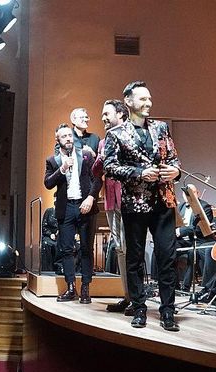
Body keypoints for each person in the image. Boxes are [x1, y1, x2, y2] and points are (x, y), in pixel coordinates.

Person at [104, 80, 181, 331]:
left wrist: (176, 171)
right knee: (135, 258)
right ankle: (139, 308)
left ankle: (168, 310)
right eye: (143, 98)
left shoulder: (161, 127)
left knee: (167, 257)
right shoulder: (115, 134)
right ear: (128, 101)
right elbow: (109, 167)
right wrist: (139, 173)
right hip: (135, 203)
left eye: (149, 98)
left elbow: (174, 158)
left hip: (164, 201)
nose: (148, 102)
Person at [44, 123, 102, 303]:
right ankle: (71, 287)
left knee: (86, 248)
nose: (68, 139)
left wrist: (91, 198)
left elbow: (97, 179)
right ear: (58, 140)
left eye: (70, 135)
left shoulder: (85, 155)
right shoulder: (53, 160)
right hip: (66, 207)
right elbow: (48, 183)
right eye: (64, 136)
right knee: (66, 249)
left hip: (85, 205)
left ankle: (85, 288)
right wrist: (62, 169)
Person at [92, 99, 132, 314]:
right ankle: (128, 296)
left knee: (131, 249)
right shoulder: (103, 142)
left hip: (129, 200)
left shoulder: (132, 137)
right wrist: (101, 157)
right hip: (110, 200)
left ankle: (136, 298)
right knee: (120, 249)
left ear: (121, 114)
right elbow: (96, 170)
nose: (103, 118)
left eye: (106, 114)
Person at [174, 184, 215, 291]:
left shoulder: (204, 206)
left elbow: (201, 228)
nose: (188, 196)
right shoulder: (181, 206)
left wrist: (182, 231)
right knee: (168, 248)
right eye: (186, 194)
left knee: (192, 253)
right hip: (183, 240)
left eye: (192, 193)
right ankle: (173, 284)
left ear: (197, 193)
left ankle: (186, 286)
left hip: (199, 240)